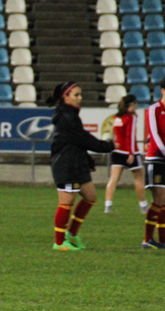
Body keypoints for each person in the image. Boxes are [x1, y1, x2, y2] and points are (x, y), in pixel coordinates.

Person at [48, 82, 115, 251]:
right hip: (67, 165)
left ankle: (72, 234)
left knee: (91, 196)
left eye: (80, 94)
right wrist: (107, 146)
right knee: (66, 201)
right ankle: (59, 242)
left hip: (77, 163)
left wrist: (88, 161)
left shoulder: (71, 115)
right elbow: (83, 139)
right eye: (76, 95)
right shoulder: (66, 117)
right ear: (66, 97)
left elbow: (77, 143)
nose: (80, 98)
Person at [104, 94, 148, 214]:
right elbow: (130, 135)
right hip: (129, 151)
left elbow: (117, 134)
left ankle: (108, 205)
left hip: (117, 151)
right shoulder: (131, 117)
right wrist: (131, 153)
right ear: (132, 104)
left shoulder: (117, 117)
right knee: (139, 177)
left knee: (113, 179)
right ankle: (143, 205)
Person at [142, 78, 165, 249]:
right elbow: (155, 135)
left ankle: (162, 240)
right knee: (159, 198)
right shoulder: (154, 109)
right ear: (162, 90)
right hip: (156, 159)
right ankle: (147, 239)